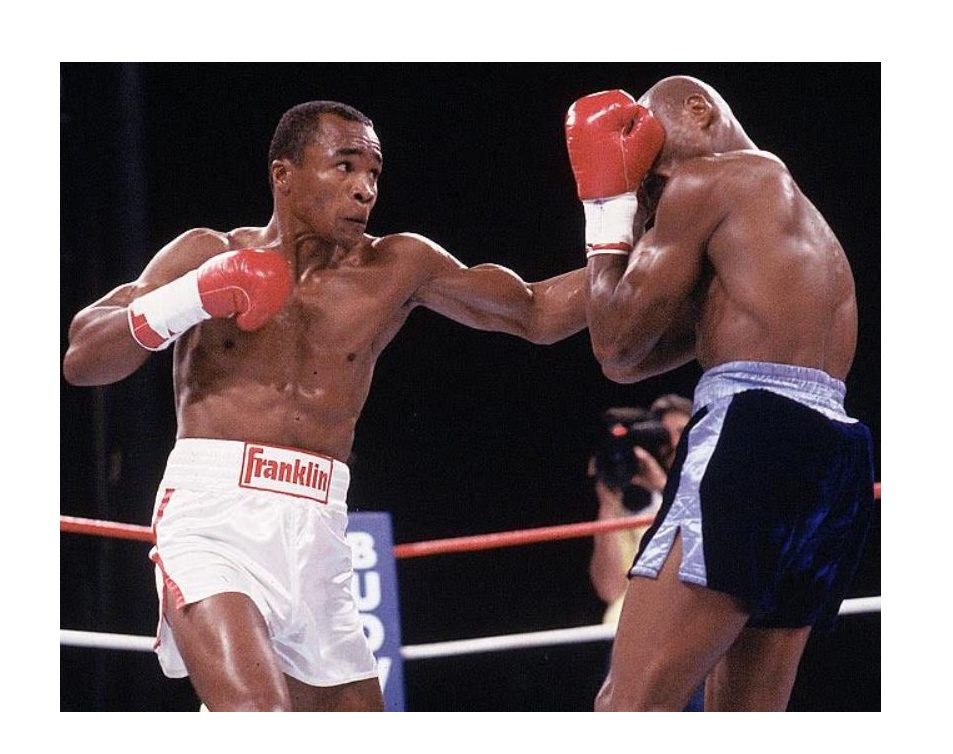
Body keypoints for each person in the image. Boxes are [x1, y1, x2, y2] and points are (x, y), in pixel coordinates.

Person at [63, 100, 587, 711]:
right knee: (259, 713)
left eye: (373, 173)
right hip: (214, 521)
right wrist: (193, 296)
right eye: (345, 166)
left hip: (319, 533)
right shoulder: (207, 252)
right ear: (283, 175)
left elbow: (534, 312)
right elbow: (82, 356)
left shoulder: (398, 266)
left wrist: (634, 238)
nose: (365, 189)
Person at [564, 76, 875, 711]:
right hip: (838, 455)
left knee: (627, 708)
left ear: (698, 111)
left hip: (753, 431)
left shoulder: (710, 179)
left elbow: (613, 343)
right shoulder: (786, 231)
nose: (654, 192)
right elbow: (624, 361)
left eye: (654, 169)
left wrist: (606, 207)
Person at [586, 395, 702, 710]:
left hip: (689, 627)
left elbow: (701, 549)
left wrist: (666, 488)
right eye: (664, 436)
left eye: (682, 432)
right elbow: (610, 588)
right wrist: (608, 501)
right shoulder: (631, 509)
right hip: (627, 633)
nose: (673, 443)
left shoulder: (710, 496)